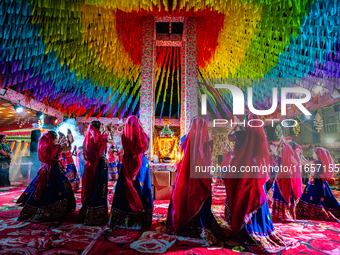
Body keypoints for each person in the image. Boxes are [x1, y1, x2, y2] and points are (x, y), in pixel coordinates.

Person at [223, 114, 289, 253]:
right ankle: (261, 228)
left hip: (242, 170)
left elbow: (229, 138)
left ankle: (246, 230)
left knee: (243, 197)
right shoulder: (260, 136)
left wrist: (235, 125)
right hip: (256, 172)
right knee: (257, 197)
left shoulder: (241, 134)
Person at [167, 117, 225, 244]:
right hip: (201, 176)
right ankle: (203, 227)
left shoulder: (184, 139)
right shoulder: (208, 141)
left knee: (185, 198)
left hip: (185, 177)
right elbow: (208, 161)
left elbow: (179, 160)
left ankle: (186, 224)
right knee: (201, 202)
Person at [16, 131, 76, 222]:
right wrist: (69, 141)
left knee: (43, 187)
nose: (57, 139)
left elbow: (56, 148)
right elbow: (68, 149)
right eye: (56, 138)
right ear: (54, 138)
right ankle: (56, 209)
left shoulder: (47, 147)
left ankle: (37, 207)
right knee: (59, 186)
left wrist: (62, 140)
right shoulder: (56, 147)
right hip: (55, 169)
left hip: (46, 168)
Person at [110, 116, 153, 230]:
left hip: (128, 162)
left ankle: (122, 217)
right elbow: (146, 149)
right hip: (141, 163)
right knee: (140, 187)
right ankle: (141, 219)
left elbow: (123, 149)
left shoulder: (125, 135)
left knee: (125, 187)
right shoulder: (144, 135)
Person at [296, 147, 340, 221]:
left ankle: (313, 211)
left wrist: (299, 156)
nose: (312, 154)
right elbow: (306, 162)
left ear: (318, 155)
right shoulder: (320, 162)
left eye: (313, 153)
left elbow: (305, 164)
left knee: (314, 197)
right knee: (324, 197)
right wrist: (301, 156)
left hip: (315, 183)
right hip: (321, 183)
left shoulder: (315, 163)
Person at [78, 121, 109, 225]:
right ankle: (94, 212)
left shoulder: (92, 135)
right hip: (97, 164)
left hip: (96, 164)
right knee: (96, 186)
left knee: (97, 186)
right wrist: (104, 138)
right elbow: (98, 150)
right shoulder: (94, 136)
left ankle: (94, 211)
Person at [271, 138, 301, 221]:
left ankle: (285, 214)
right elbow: (278, 151)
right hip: (282, 179)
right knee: (283, 196)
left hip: (283, 179)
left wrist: (283, 145)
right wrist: (281, 143)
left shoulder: (287, 158)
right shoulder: (285, 157)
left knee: (284, 196)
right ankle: (282, 214)